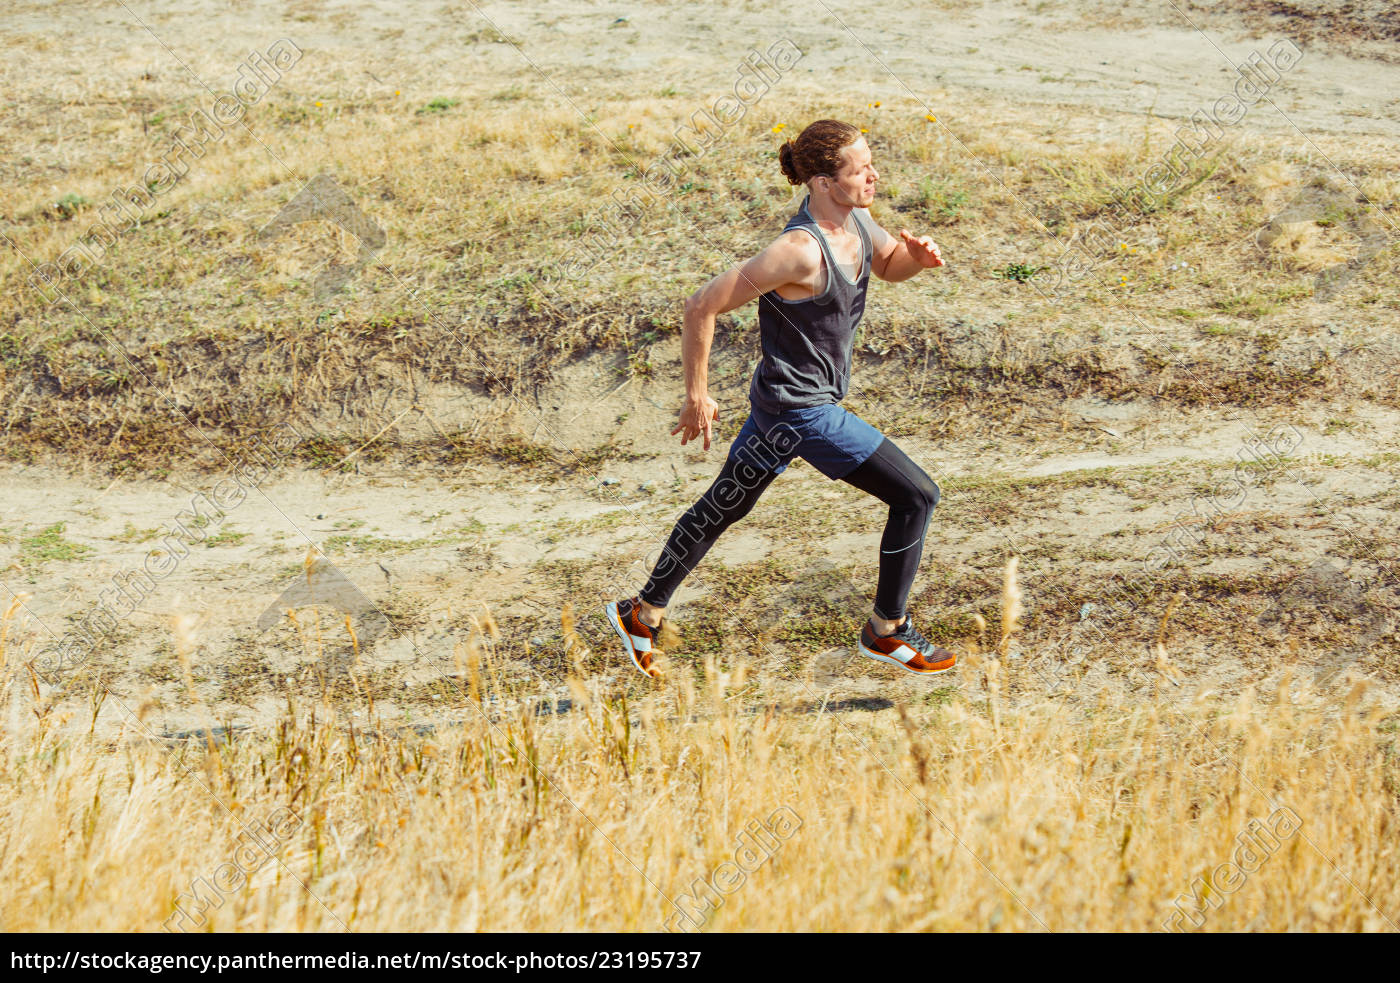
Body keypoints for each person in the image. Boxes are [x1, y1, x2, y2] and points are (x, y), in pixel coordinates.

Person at [604, 118, 956, 679]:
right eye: (859, 168)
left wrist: (918, 258)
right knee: (917, 496)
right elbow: (701, 306)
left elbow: (889, 266)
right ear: (821, 181)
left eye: (870, 162)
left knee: (724, 506)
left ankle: (642, 613)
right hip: (802, 411)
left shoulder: (858, 221)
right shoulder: (798, 251)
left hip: (777, 408)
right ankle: (886, 631)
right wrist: (697, 393)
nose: (873, 174)